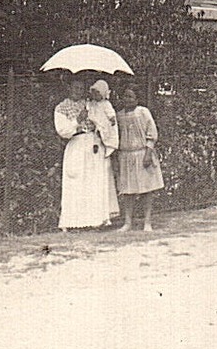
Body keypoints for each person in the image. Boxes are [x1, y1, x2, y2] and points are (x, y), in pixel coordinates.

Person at [54, 76, 120, 230]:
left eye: (81, 88)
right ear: (69, 88)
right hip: (77, 145)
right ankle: (74, 222)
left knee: (94, 182)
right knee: (76, 182)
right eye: (75, 88)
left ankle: (96, 220)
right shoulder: (61, 108)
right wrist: (78, 120)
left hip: (94, 144)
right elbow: (63, 131)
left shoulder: (90, 104)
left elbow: (104, 118)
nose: (78, 91)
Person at [113, 85, 164, 232]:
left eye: (130, 96)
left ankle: (147, 221)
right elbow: (115, 136)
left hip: (142, 154)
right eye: (125, 96)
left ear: (137, 99)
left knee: (146, 189)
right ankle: (127, 222)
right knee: (127, 190)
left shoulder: (143, 112)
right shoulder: (119, 115)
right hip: (126, 155)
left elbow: (152, 134)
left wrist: (148, 154)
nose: (127, 99)